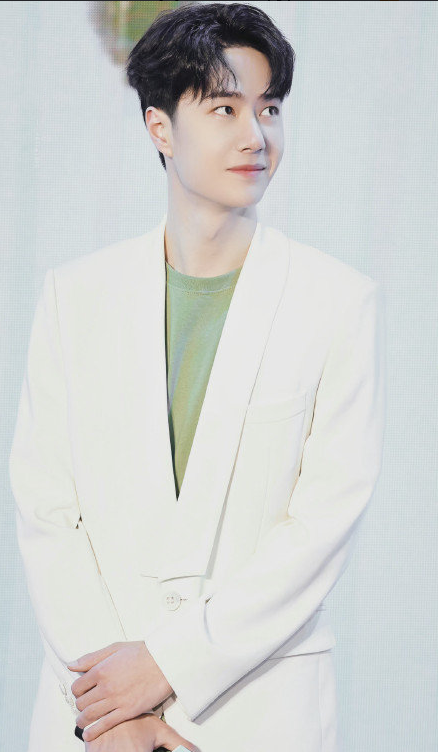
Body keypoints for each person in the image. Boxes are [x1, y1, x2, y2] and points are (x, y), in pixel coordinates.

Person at [9, 3, 386, 751]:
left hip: (257, 711)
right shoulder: (73, 297)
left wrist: (166, 666)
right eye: (224, 108)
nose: (256, 135)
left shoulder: (337, 302)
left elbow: (319, 527)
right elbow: (47, 511)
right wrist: (115, 709)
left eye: (269, 108)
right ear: (160, 127)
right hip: (94, 720)